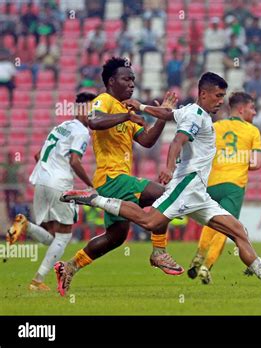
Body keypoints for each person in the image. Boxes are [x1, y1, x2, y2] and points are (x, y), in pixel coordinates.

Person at [58, 72, 261, 296]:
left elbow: (167, 114)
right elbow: (177, 141)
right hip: (185, 187)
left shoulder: (189, 111)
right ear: (203, 94)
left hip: (199, 194)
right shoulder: (196, 116)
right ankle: (96, 200)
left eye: (223, 96)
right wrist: (169, 167)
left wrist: (142, 107)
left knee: (238, 231)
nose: (221, 100)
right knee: (148, 221)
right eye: (218, 95)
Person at [52, 57, 183, 294]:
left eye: (133, 79)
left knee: (116, 237)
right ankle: (159, 252)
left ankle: (69, 266)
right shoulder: (105, 101)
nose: (132, 84)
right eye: (127, 79)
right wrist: (126, 116)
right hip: (111, 178)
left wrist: (163, 116)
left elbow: (146, 140)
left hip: (118, 179)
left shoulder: (126, 108)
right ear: (112, 81)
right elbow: (93, 121)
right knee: (164, 196)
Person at [6, 92, 96, 291]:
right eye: (93, 110)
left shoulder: (61, 126)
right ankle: (37, 281)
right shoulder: (81, 131)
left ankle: (25, 225)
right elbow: (75, 160)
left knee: (52, 235)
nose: (94, 115)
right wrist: (91, 185)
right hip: (59, 183)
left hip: (41, 180)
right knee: (64, 236)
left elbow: (38, 155)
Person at [187, 92, 261, 284]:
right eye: (252, 108)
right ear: (241, 108)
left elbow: (200, 151)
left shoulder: (216, 126)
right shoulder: (252, 131)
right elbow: (257, 163)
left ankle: (198, 256)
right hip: (233, 185)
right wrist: (241, 161)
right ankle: (206, 267)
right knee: (227, 228)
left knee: (211, 222)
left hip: (211, 184)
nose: (254, 113)